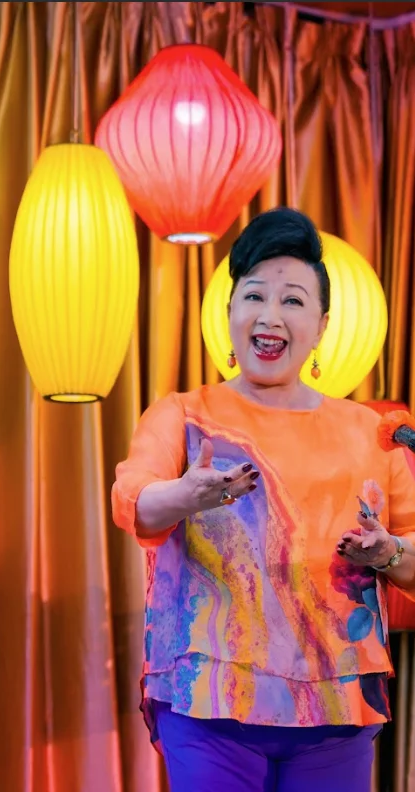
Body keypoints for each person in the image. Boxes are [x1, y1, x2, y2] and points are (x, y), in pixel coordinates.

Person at [111, 207, 415, 792]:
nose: (270, 315)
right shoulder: (183, 415)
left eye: (293, 301)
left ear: (321, 326)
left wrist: (389, 553)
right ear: (230, 312)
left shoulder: (372, 432)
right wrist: (184, 495)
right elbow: (134, 502)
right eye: (254, 296)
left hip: (336, 705)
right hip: (209, 699)